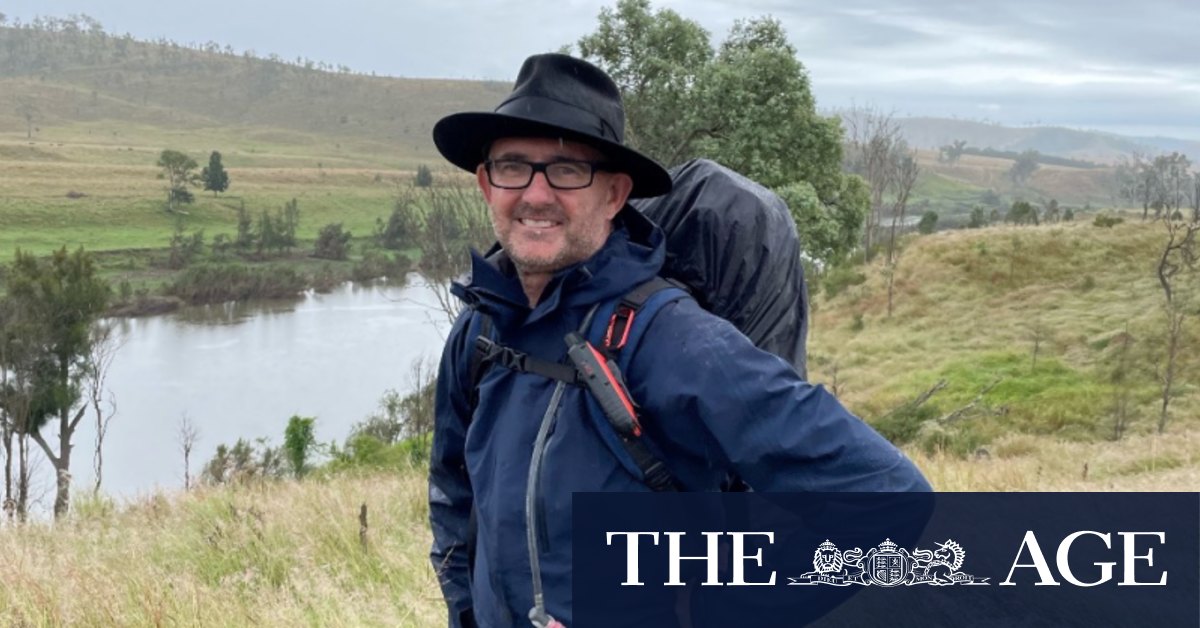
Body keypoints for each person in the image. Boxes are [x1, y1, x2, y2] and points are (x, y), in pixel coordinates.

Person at [428, 53, 930, 628]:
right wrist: (465, 613)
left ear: (616, 195)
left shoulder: (674, 342)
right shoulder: (480, 331)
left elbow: (888, 498)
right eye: (514, 166)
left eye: (568, 170)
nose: (537, 194)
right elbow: (453, 493)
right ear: (486, 184)